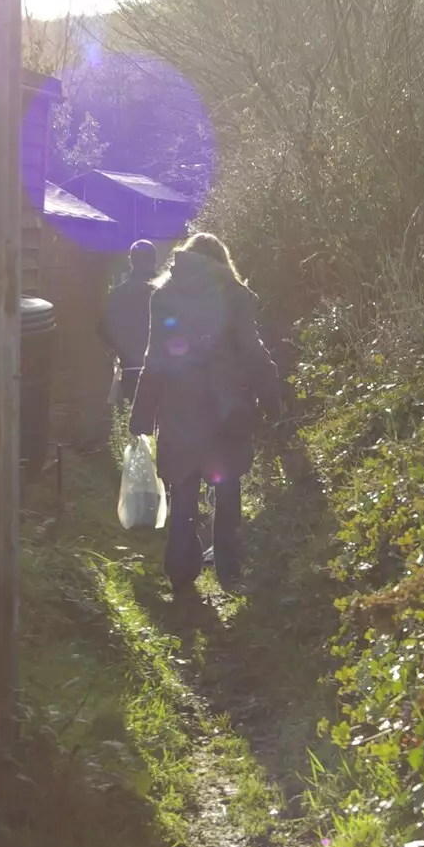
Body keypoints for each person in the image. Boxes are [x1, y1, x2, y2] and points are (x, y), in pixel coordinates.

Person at [130, 232, 280, 594]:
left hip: (179, 409)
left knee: (183, 487)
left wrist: (142, 416)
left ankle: (181, 571)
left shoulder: (164, 296)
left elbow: (155, 358)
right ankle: (230, 574)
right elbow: (252, 353)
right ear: (221, 262)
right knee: (226, 489)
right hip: (226, 410)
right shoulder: (235, 295)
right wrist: (274, 401)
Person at [98, 240, 157, 403]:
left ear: (131, 260)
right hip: (157, 369)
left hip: (127, 367)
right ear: (154, 261)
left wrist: (117, 350)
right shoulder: (161, 293)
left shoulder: (117, 294)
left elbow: (102, 328)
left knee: (128, 418)